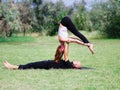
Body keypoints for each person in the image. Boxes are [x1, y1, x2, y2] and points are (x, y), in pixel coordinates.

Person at [3, 43, 82, 70]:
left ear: (76, 66)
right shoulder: (67, 64)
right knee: (32, 64)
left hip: (47, 65)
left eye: (78, 63)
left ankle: (12, 67)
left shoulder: (69, 66)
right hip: (48, 63)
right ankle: (14, 66)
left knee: (31, 65)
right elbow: (62, 55)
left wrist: (67, 43)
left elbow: (66, 55)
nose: (78, 61)